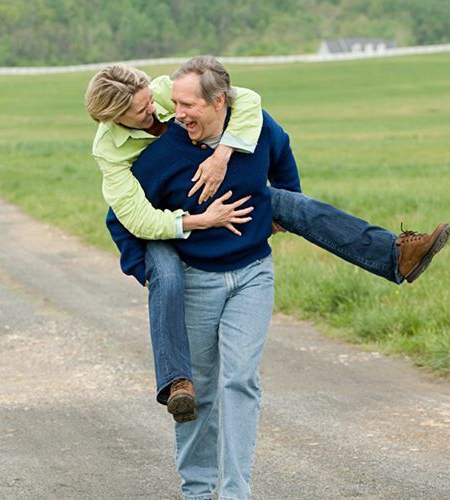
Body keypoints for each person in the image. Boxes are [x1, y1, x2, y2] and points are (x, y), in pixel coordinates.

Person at [85, 62, 450, 424]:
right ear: (116, 118)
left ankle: (396, 255)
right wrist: (189, 231)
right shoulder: (113, 152)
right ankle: (176, 380)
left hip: (215, 190)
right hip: (160, 218)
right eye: (141, 110)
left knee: (295, 204)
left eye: (151, 99)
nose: (155, 109)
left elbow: (252, 108)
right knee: (165, 272)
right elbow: (128, 219)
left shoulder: (169, 92)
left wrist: (237, 165)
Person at [106, 55, 299, 498]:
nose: (177, 113)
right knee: (202, 392)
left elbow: (282, 154)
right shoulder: (162, 155)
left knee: (241, 381)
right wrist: (154, 278)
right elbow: (120, 221)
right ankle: (196, 491)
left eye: (188, 104)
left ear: (219, 103)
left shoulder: (255, 127)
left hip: (253, 275)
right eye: (175, 102)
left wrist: (284, 209)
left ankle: (235, 492)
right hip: (195, 282)